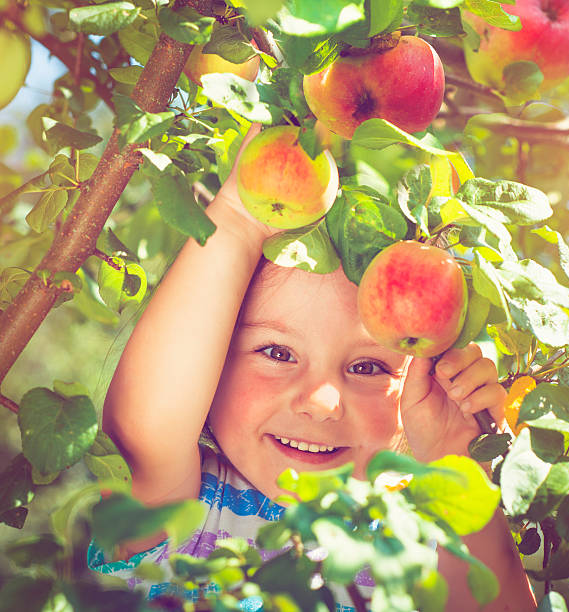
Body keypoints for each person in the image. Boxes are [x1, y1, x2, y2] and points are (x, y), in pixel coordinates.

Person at [88, 126, 537, 611]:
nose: (322, 404)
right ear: (212, 355)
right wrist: (239, 221)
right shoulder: (187, 511)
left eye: (368, 366)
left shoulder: (418, 543)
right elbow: (142, 429)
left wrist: (458, 460)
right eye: (278, 353)